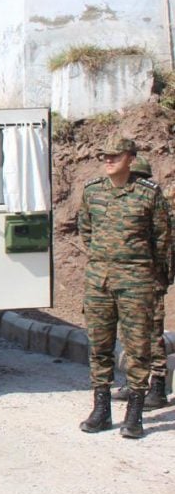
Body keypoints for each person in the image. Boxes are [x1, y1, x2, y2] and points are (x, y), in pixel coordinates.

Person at [78, 137, 170, 438]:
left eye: (115, 156)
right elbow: (86, 230)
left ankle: (135, 414)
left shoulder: (148, 194)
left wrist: (155, 279)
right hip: (99, 281)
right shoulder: (92, 192)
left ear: (130, 158)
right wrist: (105, 261)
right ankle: (101, 409)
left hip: (136, 282)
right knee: (99, 346)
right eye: (104, 156)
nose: (108, 160)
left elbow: (162, 241)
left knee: (138, 348)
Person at [112, 156, 172, 410]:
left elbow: (165, 247)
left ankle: (157, 387)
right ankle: (136, 382)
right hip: (129, 279)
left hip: (150, 279)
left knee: (151, 332)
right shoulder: (129, 205)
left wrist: (160, 279)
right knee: (130, 333)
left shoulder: (155, 205)